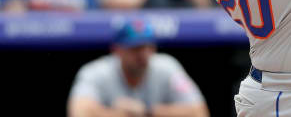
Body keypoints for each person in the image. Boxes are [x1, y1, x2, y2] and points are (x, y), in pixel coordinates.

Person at [67, 18, 209, 117]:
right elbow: (78, 112)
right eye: (136, 48)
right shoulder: (96, 72)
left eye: (148, 47)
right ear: (117, 50)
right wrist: (118, 114)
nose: (144, 54)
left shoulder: (167, 67)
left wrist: (147, 111)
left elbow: (199, 112)